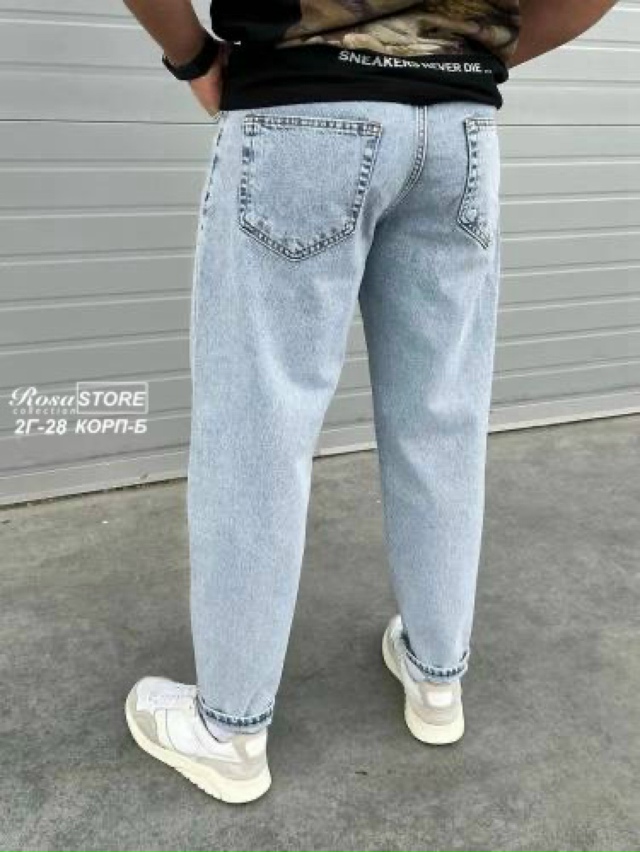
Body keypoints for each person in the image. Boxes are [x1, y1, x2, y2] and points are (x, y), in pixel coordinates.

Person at [121, 0, 619, 804]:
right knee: (441, 419)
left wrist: (194, 58)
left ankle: (231, 731)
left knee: (258, 428)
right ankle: (436, 678)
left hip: (303, 111)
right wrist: (467, 55)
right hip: (455, 130)